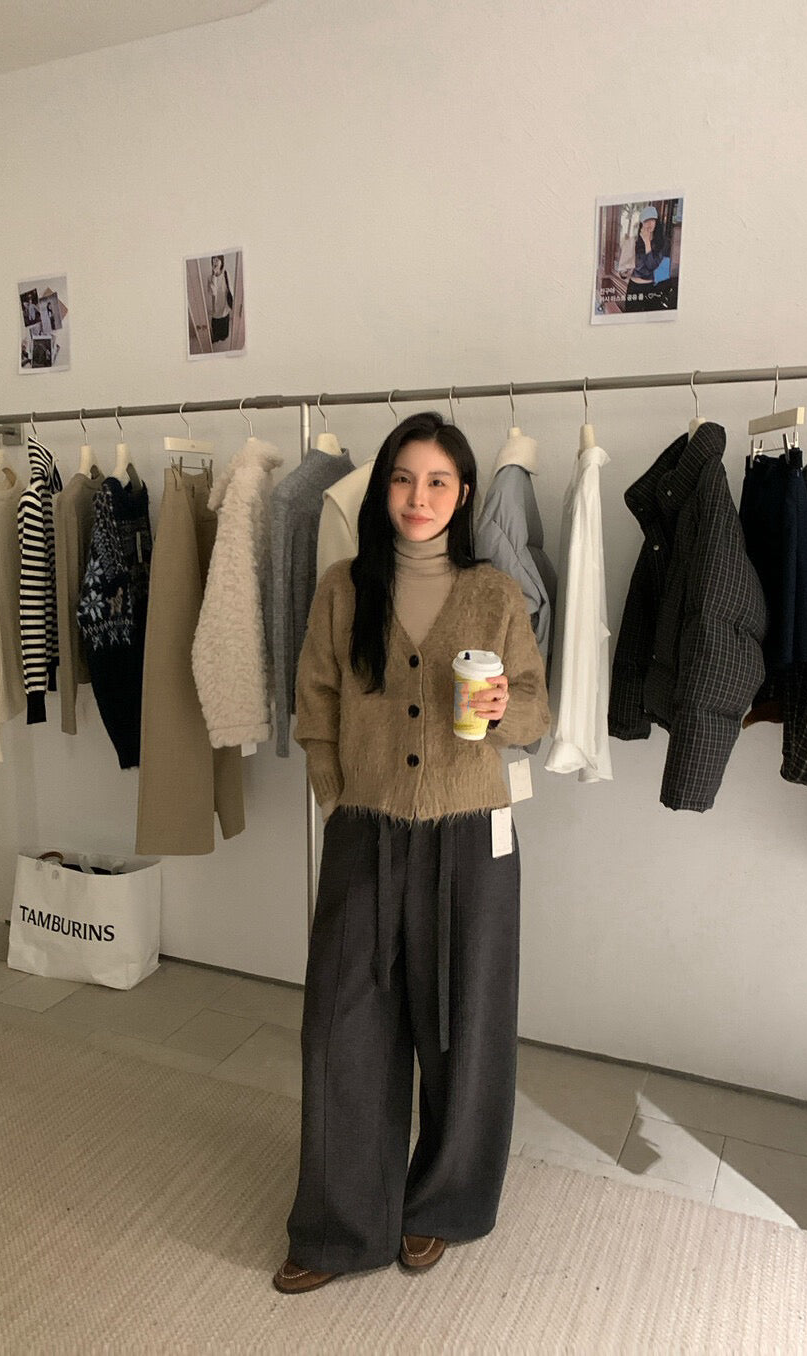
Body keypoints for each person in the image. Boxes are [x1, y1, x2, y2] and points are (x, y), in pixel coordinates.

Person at [274, 410, 550, 1294]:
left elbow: (536, 710)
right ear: (381, 488)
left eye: (437, 481)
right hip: (366, 828)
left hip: (473, 835)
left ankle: (443, 1203)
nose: (417, 496)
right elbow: (314, 701)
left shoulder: (495, 593)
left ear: (464, 494)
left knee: (466, 1026)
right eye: (402, 478)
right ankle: (340, 1223)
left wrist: (505, 709)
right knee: (344, 1025)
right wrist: (336, 793)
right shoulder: (341, 588)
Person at [624, 204, 668, 312]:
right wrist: (624, 272)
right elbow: (626, 266)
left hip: (651, 289)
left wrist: (647, 242)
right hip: (634, 287)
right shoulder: (634, 242)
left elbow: (651, 265)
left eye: (652, 220)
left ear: (656, 222)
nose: (649, 224)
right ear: (641, 224)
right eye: (646, 221)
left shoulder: (661, 243)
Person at [206, 254, 232, 345]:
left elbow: (231, 290)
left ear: (222, 262)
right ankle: (216, 338)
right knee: (216, 327)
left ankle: (223, 337)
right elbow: (213, 292)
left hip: (225, 306)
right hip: (215, 307)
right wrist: (214, 275)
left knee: (224, 331)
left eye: (217, 260)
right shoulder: (210, 277)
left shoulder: (226, 274)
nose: (215, 262)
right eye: (213, 259)